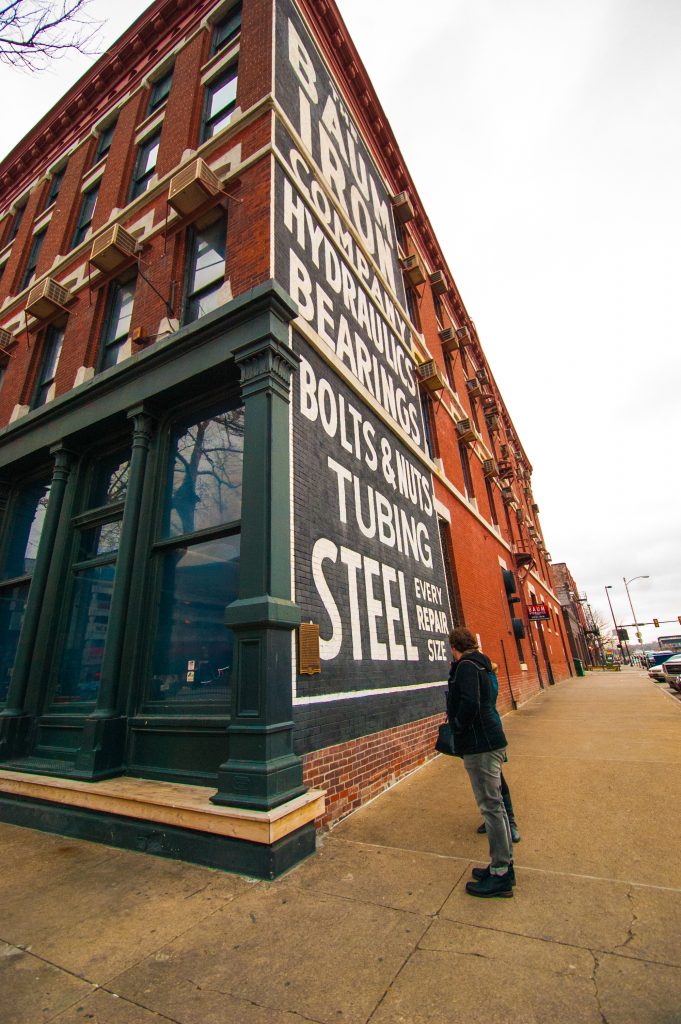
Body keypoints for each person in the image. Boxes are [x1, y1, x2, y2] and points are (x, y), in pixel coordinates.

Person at [448, 626, 515, 898]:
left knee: (491, 808)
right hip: (490, 740)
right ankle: (499, 866)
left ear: (455, 646)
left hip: (481, 744)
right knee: (494, 806)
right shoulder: (483, 665)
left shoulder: (466, 666)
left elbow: (470, 703)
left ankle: (501, 873)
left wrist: (457, 725)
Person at [475, 661, 521, 844]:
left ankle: (510, 823)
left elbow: (484, 701)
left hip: (489, 735)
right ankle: (492, 819)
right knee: (482, 780)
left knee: (497, 779)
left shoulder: (487, 677)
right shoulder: (480, 673)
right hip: (476, 737)